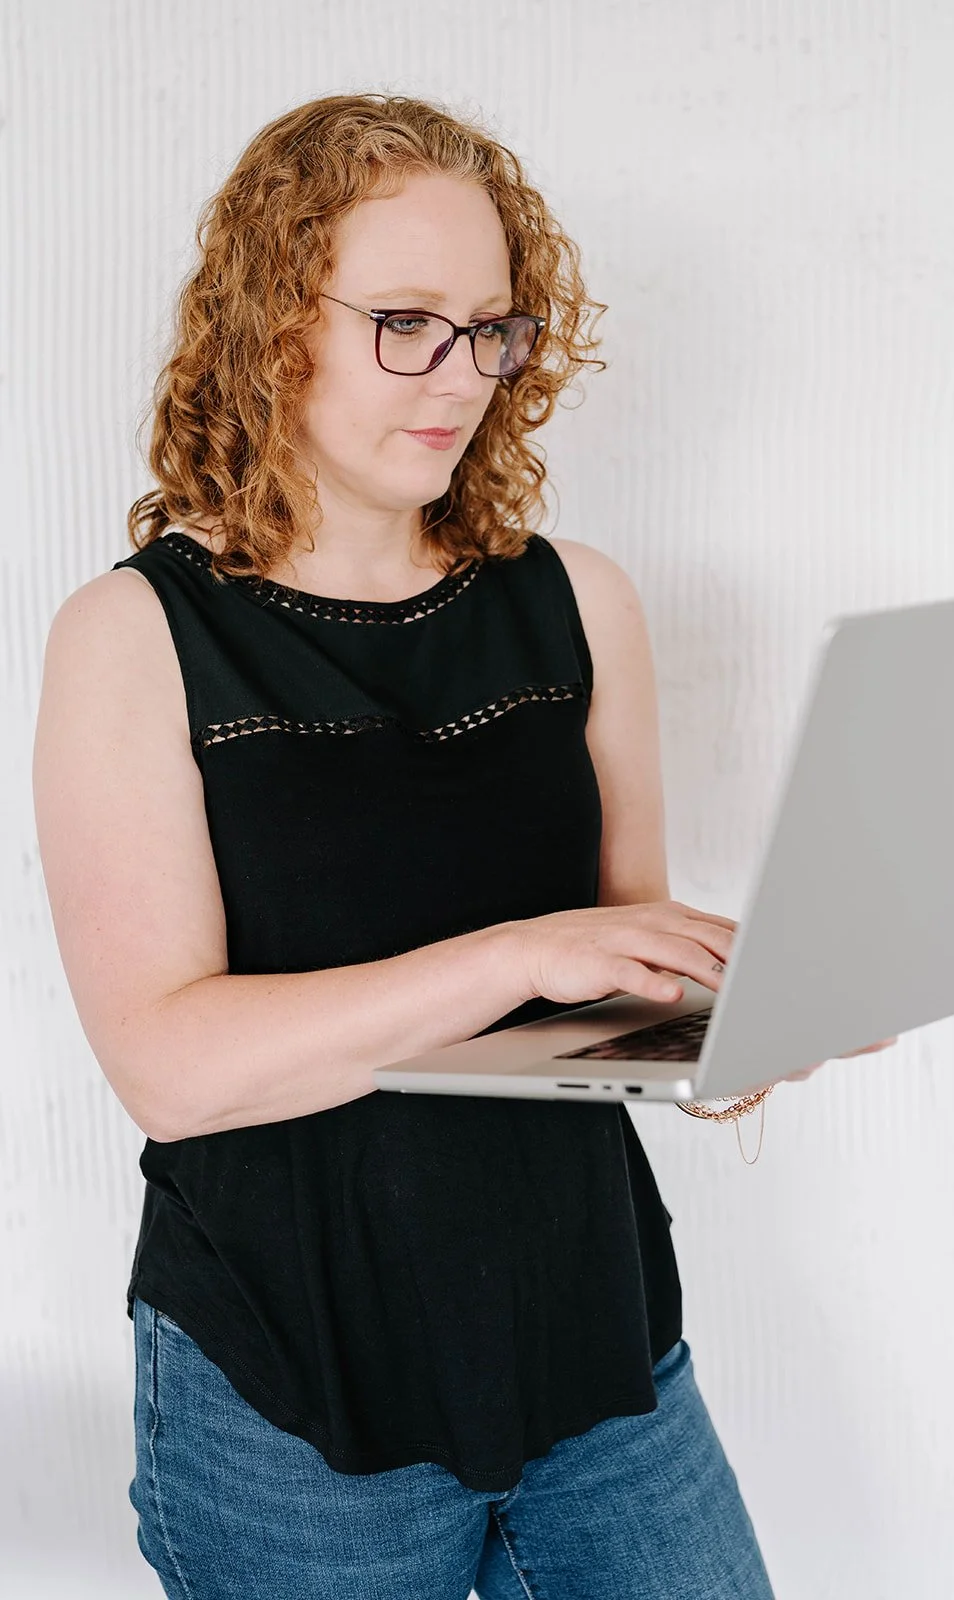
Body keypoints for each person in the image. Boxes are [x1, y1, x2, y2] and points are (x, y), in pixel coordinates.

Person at [32, 91, 892, 1599]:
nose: (460, 378)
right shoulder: (135, 636)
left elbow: (603, 996)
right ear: (269, 322)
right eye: (406, 322)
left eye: (492, 328)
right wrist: (515, 952)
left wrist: (724, 1022)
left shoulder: (579, 603)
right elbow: (170, 1065)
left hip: (594, 1337)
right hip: (295, 1387)